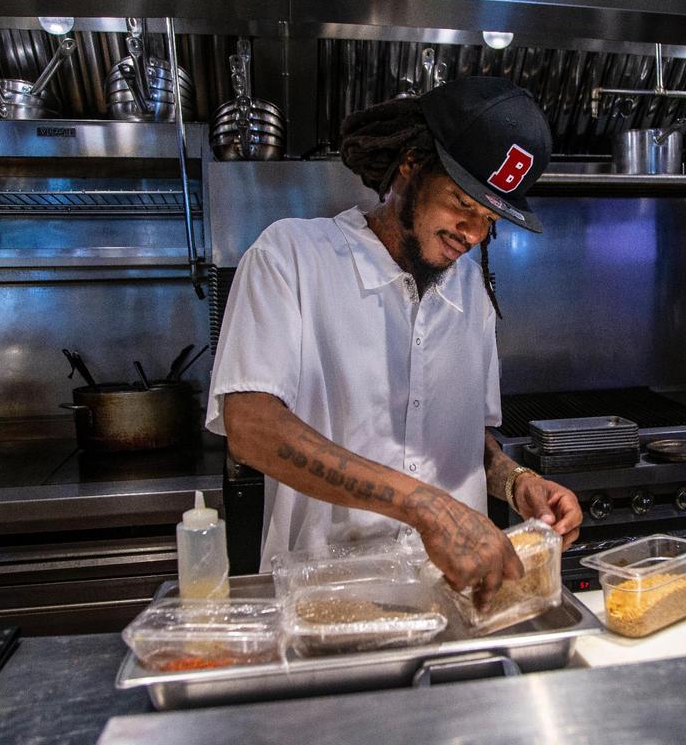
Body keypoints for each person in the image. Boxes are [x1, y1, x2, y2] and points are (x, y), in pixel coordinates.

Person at [205, 76, 582, 609]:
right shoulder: (290, 256)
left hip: (453, 602)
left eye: (490, 220)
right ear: (410, 164)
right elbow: (250, 427)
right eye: (461, 202)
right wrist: (425, 507)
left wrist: (516, 481)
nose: (473, 233)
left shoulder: (472, 291)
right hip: (326, 602)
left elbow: (462, 440)